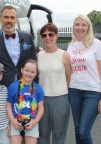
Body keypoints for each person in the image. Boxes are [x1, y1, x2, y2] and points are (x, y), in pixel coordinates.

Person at [67, 14, 101, 144]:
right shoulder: (71, 45)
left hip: (92, 92)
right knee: (77, 129)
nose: (80, 27)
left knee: (84, 132)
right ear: (73, 27)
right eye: (77, 24)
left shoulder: (96, 44)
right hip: (74, 90)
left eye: (83, 25)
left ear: (88, 27)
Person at [37, 23, 72, 144]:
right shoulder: (38, 56)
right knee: (42, 135)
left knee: (59, 135)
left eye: (51, 34)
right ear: (41, 37)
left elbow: (69, 77)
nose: (48, 37)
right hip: (42, 100)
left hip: (60, 99)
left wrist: (60, 91)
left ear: (56, 36)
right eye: (44, 35)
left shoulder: (64, 55)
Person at [0, 5, 37, 87]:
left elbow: (33, 62)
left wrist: (35, 84)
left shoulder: (28, 38)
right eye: (6, 17)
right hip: (3, 86)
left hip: (26, 85)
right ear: (0, 19)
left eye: (12, 17)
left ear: (16, 19)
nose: (9, 20)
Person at [7, 59, 44, 144]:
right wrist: (12, 121)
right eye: (27, 70)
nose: (29, 74)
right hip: (16, 121)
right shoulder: (13, 86)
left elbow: (41, 108)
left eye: (32, 72)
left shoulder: (38, 89)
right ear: (22, 70)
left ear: (36, 74)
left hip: (32, 122)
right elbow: (8, 105)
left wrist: (35, 122)